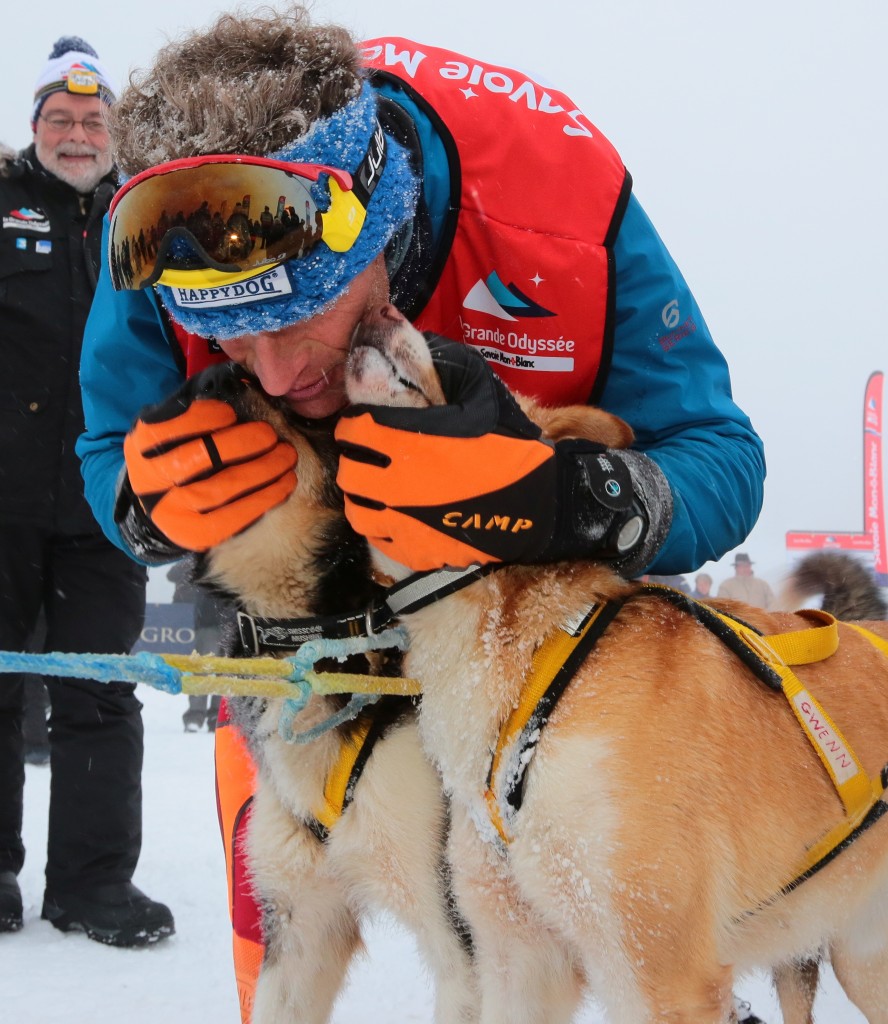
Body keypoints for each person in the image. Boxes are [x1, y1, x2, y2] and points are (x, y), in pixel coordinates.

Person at [75, 7, 766, 1018]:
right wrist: (143, 508)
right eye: (230, 337)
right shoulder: (164, 222)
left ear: (380, 216)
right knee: (280, 928)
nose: (276, 371)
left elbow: (721, 455)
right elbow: (105, 451)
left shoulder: (562, 199)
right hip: (294, 646)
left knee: (557, 944)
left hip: (528, 650)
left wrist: (566, 498)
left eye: (296, 317)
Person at [0, 37, 174, 945]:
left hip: (110, 498)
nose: (78, 133)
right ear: (35, 127)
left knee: (102, 690)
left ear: (115, 132)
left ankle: (92, 885)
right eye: (61, 119)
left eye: (94, 121)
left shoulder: (146, 214)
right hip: (2, 497)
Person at [166, 559, 229, 732]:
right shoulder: (200, 556)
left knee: (225, 672)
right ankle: (196, 714)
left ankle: (216, 715)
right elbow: (174, 574)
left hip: (234, 622)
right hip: (209, 621)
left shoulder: (237, 553)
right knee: (202, 669)